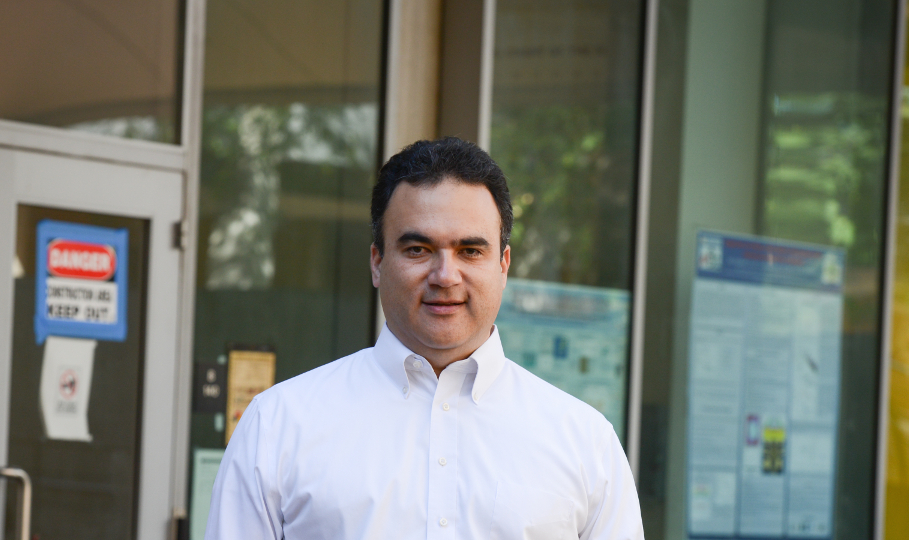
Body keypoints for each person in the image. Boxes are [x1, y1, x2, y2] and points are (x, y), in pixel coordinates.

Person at [205, 137, 644, 539]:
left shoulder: (585, 443)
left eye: (470, 251)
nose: (445, 276)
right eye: (418, 249)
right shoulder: (277, 426)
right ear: (377, 262)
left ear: (503, 265)